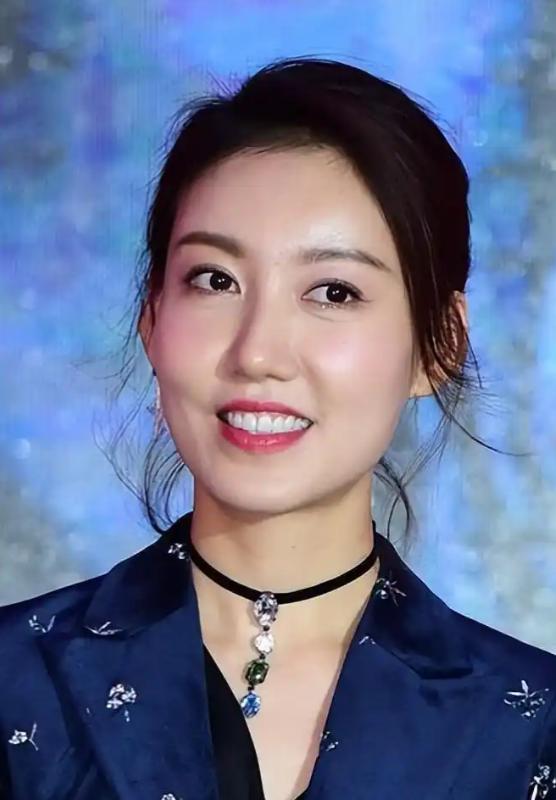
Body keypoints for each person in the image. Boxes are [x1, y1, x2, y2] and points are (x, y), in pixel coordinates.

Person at [0, 56, 555, 800]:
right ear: (152, 319)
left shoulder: (529, 726)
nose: (258, 353)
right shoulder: (17, 681)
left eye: (333, 291)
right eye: (215, 280)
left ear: (438, 345)